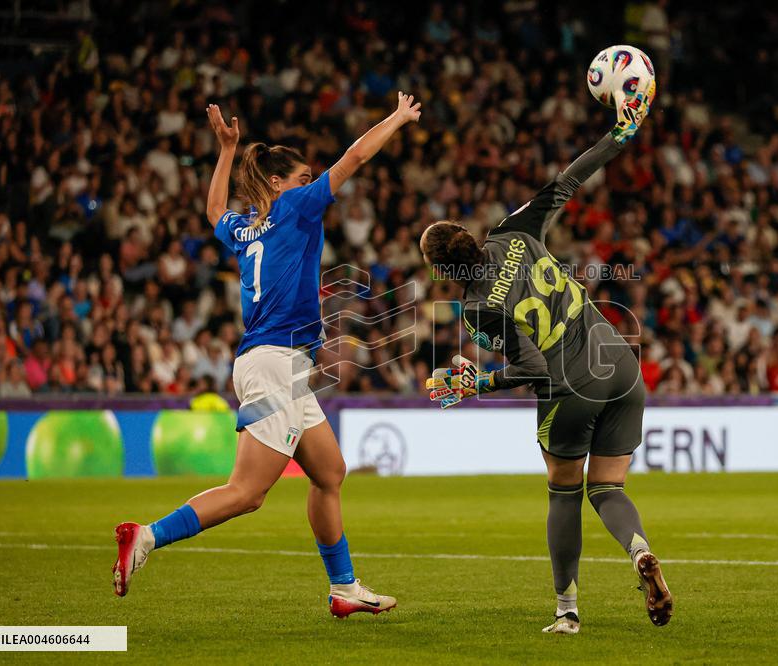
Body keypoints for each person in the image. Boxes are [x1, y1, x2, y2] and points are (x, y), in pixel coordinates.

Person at [112, 92, 422, 619]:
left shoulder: (245, 228)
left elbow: (214, 211)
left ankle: (343, 586)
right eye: (302, 177)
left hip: (281, 366)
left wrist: (226, 150)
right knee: (247, 493)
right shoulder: (295, 207)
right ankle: (145, 536)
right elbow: (355, 159)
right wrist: (395, 119)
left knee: (329, 472)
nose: (312, 184)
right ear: (278, 184)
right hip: (275, 362)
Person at [421, 78, 672, 634]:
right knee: (608, 488)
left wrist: (475, 385)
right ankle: (639, 553)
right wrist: (620, 133)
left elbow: (533, 370)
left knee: (564, 491)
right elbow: (569, 180)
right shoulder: (511, 232)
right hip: (620, 361)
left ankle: (567, 612)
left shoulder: (476, 308)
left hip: (573, 386)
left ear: (443, 271)